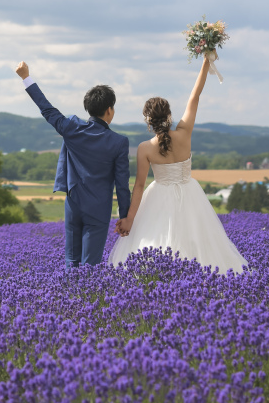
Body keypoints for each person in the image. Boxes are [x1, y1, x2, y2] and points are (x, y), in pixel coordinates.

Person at [110, 57, 246, 273]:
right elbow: (195, 95)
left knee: (154, 244)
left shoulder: (145, 148)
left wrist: (129, 220)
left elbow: (138, 187)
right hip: (190, 194)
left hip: (158, 198)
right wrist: (205, 62)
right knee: (199, 245)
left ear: (147, 121)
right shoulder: (184, 134)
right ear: (169, 115)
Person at [15, 61, 130, 267]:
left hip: (73, 205)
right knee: (90, 267)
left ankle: (68, 299)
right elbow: (122, 185)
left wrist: (26, 78)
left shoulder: (72, 128)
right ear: (110, 110)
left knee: (71, 263)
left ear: (89, 108)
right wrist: (125, 217)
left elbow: (47, 109)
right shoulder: (119, 142)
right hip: (98, 209)